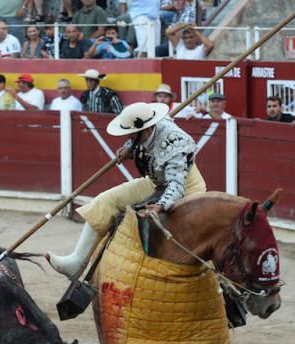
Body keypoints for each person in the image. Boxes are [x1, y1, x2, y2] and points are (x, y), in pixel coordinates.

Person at [48, 101, 205, 277]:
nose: (127, 136)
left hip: (187, 189)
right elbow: (141, 144)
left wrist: (159, 206)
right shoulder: (145, 128)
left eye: (131, 133)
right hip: (155, 182)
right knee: (106, 200)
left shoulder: (175, 142)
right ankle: (77, 262)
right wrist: (128, 149)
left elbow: (176, 186)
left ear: (145, 130)